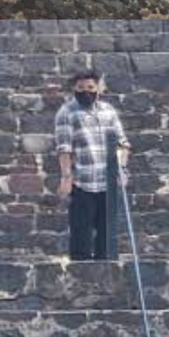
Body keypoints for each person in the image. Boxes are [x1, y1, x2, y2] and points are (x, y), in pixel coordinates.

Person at [54, 69, 131, 261]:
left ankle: (107, 274)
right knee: (81, 233)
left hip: (108, 182)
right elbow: (64, 148)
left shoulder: (108, 111)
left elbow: (123, 144)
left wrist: (121, 167)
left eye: (90, 87)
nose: (86, 91)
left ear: (98, 89)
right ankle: (81, 278)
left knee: (107, 236)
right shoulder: (66, 112)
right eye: (81, 88)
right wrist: (66, 177)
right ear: (74, 89)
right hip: (82, 182)